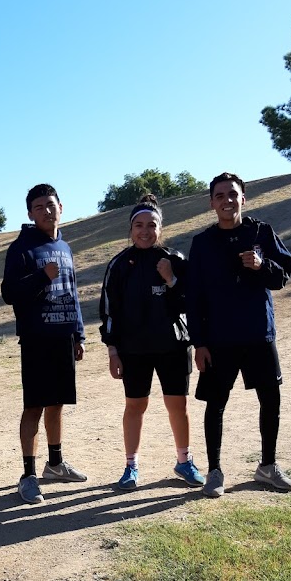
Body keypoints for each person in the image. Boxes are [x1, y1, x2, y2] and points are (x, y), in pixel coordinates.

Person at [187, 172, 291, 498]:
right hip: (219, 339)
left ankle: (268, 466)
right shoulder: (203, 243)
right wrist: (200, 342)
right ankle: (215, 471)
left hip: (259, 333)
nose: (227, 200)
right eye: (220, 196)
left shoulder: (261, 232)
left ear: (243, 198)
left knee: (271, 400)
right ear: (211, 203)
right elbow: (194, 297)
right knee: (215, 404)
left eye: (232, 194)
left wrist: (262, 265)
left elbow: (281, 278)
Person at [100, 194, 204, 491]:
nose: (145, 231)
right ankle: (130, 466)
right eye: (138, 225)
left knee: (177, 405)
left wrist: (171, 280)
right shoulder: (119, 265)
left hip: (173, 346)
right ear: (130, 229)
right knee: (135, 406)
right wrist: (112, 350)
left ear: (161, 227)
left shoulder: (175, 259)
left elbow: (191, 303)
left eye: (151, 225)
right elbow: (109, 310)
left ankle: (184, 461)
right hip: (134, 350)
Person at [1, 183, 87, 504]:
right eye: (39, 207)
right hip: (36, 340)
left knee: (57, 404)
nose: (47, 211)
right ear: (30, 214)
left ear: (61, 207)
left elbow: (73, 292)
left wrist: (78, 334)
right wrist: (41, 276)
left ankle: (55, 464)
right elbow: (9, 292)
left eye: (51, 205)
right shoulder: (22, 248)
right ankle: (27, 475)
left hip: (63, 338)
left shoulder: (65, 247)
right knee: (34, 407)